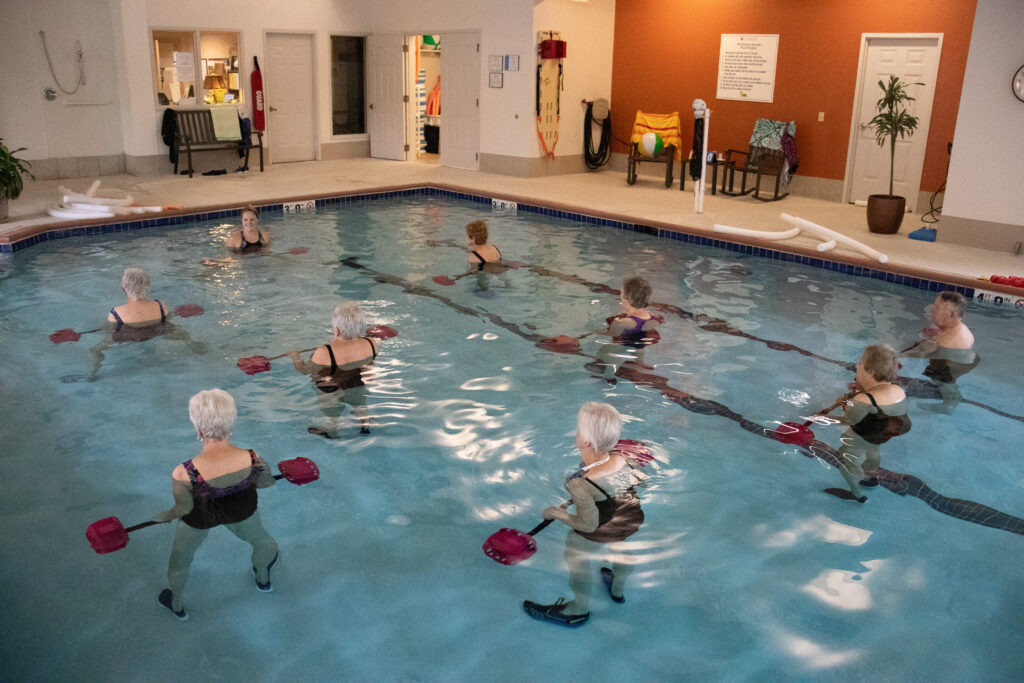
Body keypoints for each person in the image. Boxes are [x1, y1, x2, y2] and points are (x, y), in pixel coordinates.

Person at [154, 389, 279, 621]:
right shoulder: (253, 457)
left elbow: (182, 509)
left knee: (181, 560)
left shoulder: (184, 472)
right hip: (241, 510)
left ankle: (177, 604)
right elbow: (266, 483)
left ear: (198, 430)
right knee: (265, 543)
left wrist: (166, 515)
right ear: (231, 422)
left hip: (200, 517)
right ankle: (262, 578)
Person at [523, 402, 645, 627]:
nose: (576, 432)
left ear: (586, 441)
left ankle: (578, 609)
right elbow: (638, 482)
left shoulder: (582, 484)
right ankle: (617, 591)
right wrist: (582, 500)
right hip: (627, 520)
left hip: (599, 528)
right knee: (621, 546)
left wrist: (556, 514)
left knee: (576, 557)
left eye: (579, 428)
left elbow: (587, 525)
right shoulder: (622, 459)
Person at [84, 267, 201, 381]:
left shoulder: (116, 312)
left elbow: (109, 330)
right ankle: (194, 345)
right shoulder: (160, 305)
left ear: (124, 290)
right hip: (156, 331)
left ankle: (93, 373)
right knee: (183, 334)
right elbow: (168, 319)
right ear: (147, 287)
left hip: (128, 336)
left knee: (95, 350)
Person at [287, 300, 378, 437]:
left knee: (331, 409)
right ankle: (365, 424)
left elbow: (304, 370)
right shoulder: (371, 344)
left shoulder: (325, 352)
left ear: (337, 329)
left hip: (330, 387)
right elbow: (368, 363)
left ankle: (332, 430)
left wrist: (295, 357)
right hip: (356, 382)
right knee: (359, 403)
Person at [833, 345, 911, 502]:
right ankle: (871, 476)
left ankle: (856, 494)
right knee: (873, 449)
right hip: (883, 434)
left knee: (845, 461)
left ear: (871, 373)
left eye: (860, 364)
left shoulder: (865, 399)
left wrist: (847, 401)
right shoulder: (898, 390)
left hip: (863, 434)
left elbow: (850, 419)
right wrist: (863, 391)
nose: (856, 366)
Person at [903, 291, 978, 414]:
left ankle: (949, 405)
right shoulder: (954, 327)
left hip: (955, 360)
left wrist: (902, 355)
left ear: (951, 315)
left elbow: (932, 356)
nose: (932, 309)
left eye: (937, 307)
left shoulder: (951, 340)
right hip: (963, 357)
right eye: (934, 305)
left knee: (938, 373)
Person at [586, 276, 664, 383]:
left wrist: (598, 331)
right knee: (639, 351)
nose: (620, 296)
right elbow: (656, 322)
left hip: (623, 348)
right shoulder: (650, 314)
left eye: (621, 294)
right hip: (639, 345)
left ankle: (609, 378)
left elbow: (612, 333)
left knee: (606, 353)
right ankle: (639, 362)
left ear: (628, 300)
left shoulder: (625, 321)